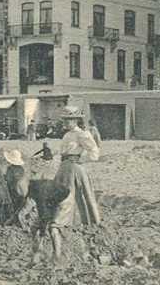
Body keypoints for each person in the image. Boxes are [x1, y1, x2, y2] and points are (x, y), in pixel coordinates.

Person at [48, 106, 101, 262]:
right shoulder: (67, 135)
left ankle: (87, 233)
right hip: (64, 169)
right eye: (65, 119)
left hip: (74, 170)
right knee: (61, 200)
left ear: (76, 120)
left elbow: (95, 152)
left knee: (78, 199)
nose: (66, 122)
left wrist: (80, 159)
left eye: (69, 119)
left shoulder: (82, 134)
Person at [3, 149, 29, 224]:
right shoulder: (21, 169)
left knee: (12, 206)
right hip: (21, 190)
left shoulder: (10, 169)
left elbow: (8, 180)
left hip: (13, 190)